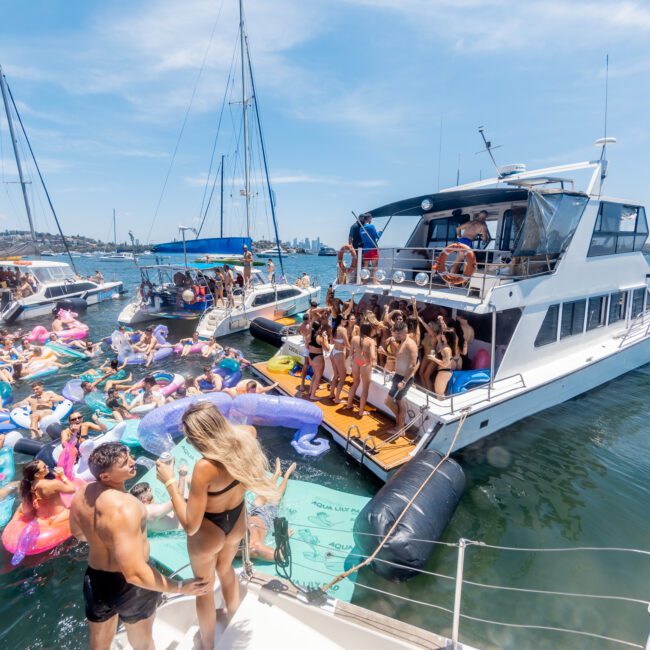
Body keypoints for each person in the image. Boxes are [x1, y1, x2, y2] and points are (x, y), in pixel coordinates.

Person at [155, 402, 278, 650]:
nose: (190, 443)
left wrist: (169, 481)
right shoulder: (246, 437)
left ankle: (207, 643)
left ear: (199, 436)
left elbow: (190, 525)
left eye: (190, 438)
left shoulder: (205, 467)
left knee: (204, 588)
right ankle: (232, 616)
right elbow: (243, 430)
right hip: (236, 519)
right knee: (226, 569)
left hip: (208, 530)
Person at [70, 443, 208, 650]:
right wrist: (180, 587)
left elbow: (78, 533)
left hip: (96, 580)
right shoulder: (128, 506)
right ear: (106, 476)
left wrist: (102, 538)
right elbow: (134, 574)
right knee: (142, 643)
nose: (133, 462)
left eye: (131, 457)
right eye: (125, 463)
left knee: (98, 645)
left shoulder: (82, 494)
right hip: (131, 588)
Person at [248, 458, 296, 561]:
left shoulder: (228, 541)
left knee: (265, 492)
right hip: (266, 517)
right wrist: (284, 537)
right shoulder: (255, 548)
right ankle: (286, 476)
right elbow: (280, 556)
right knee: (277, 496)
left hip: (252, 512)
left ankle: (277, 473)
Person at [384, 321, 419, 433]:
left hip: (403, 379)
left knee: (390, 401)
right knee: (399, 401)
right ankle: (400, 426)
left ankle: (400, 427)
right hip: (398, 376)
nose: (397, 336)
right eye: (396, 333)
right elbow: (399, 357)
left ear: (406, 331)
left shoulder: (410, 344)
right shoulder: (403, 341)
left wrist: (404, 381)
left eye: (399, 334)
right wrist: (385, 353)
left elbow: (413, 365)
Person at [130, 466, 188, 533]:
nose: (151, 491)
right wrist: (182, 476)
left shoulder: (140, 513)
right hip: (182, 530)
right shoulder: (150, 511)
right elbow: (177, 500)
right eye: (149, 491)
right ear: (143, 498)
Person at [345, 322, 375, 416]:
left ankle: (349, 404)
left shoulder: (354, 338)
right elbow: (373, 356)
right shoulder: (371, 341)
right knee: (365, 388)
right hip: (365, 364)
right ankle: (361, 411)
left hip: (356, 362)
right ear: (369, 330)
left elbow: (350, 353)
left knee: (355, 383)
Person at [450, 210, 490, 275]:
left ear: (479, 215)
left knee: (458, 261)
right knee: (468, 263)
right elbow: (484, 238)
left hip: (461, 241)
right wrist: (485, 240)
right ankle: (464, 282)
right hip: (467, 242)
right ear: (486, 217)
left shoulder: (470, 222)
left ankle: (450, 280)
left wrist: (459, 237)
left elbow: (458, 228)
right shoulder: (483, 225)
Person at [328, 314, 350, 404]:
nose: (346, 320)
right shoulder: (343, 329)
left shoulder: (335, 328)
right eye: (345, 319)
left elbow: (331, 341)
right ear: (341, 320)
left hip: (333, 352)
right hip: (339, 354)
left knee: (336, 375)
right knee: (342, 377)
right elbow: (347, 344)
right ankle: (337, 398)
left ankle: (331, 394)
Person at [307, 320, 329, 401]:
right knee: (318, 377)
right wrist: (325, 338)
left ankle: (310, 391)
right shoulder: (320, 337)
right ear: (320, 327)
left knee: (315, 375)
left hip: (311, 356)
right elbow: (327, 348)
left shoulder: (309, 335)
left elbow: (307, 346)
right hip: (318, 357)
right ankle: (312, 395)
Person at [359, 213, 382, 282]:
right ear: (369, 219)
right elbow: (377, 236)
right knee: (374, 266)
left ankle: (364, 281)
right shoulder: (371, 226)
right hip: (372, 249)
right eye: (371, 219)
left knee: (365, 266)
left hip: (365, 249)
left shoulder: (361, 228)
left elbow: (363, 239)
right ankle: (375, 281)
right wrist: (381, 231)